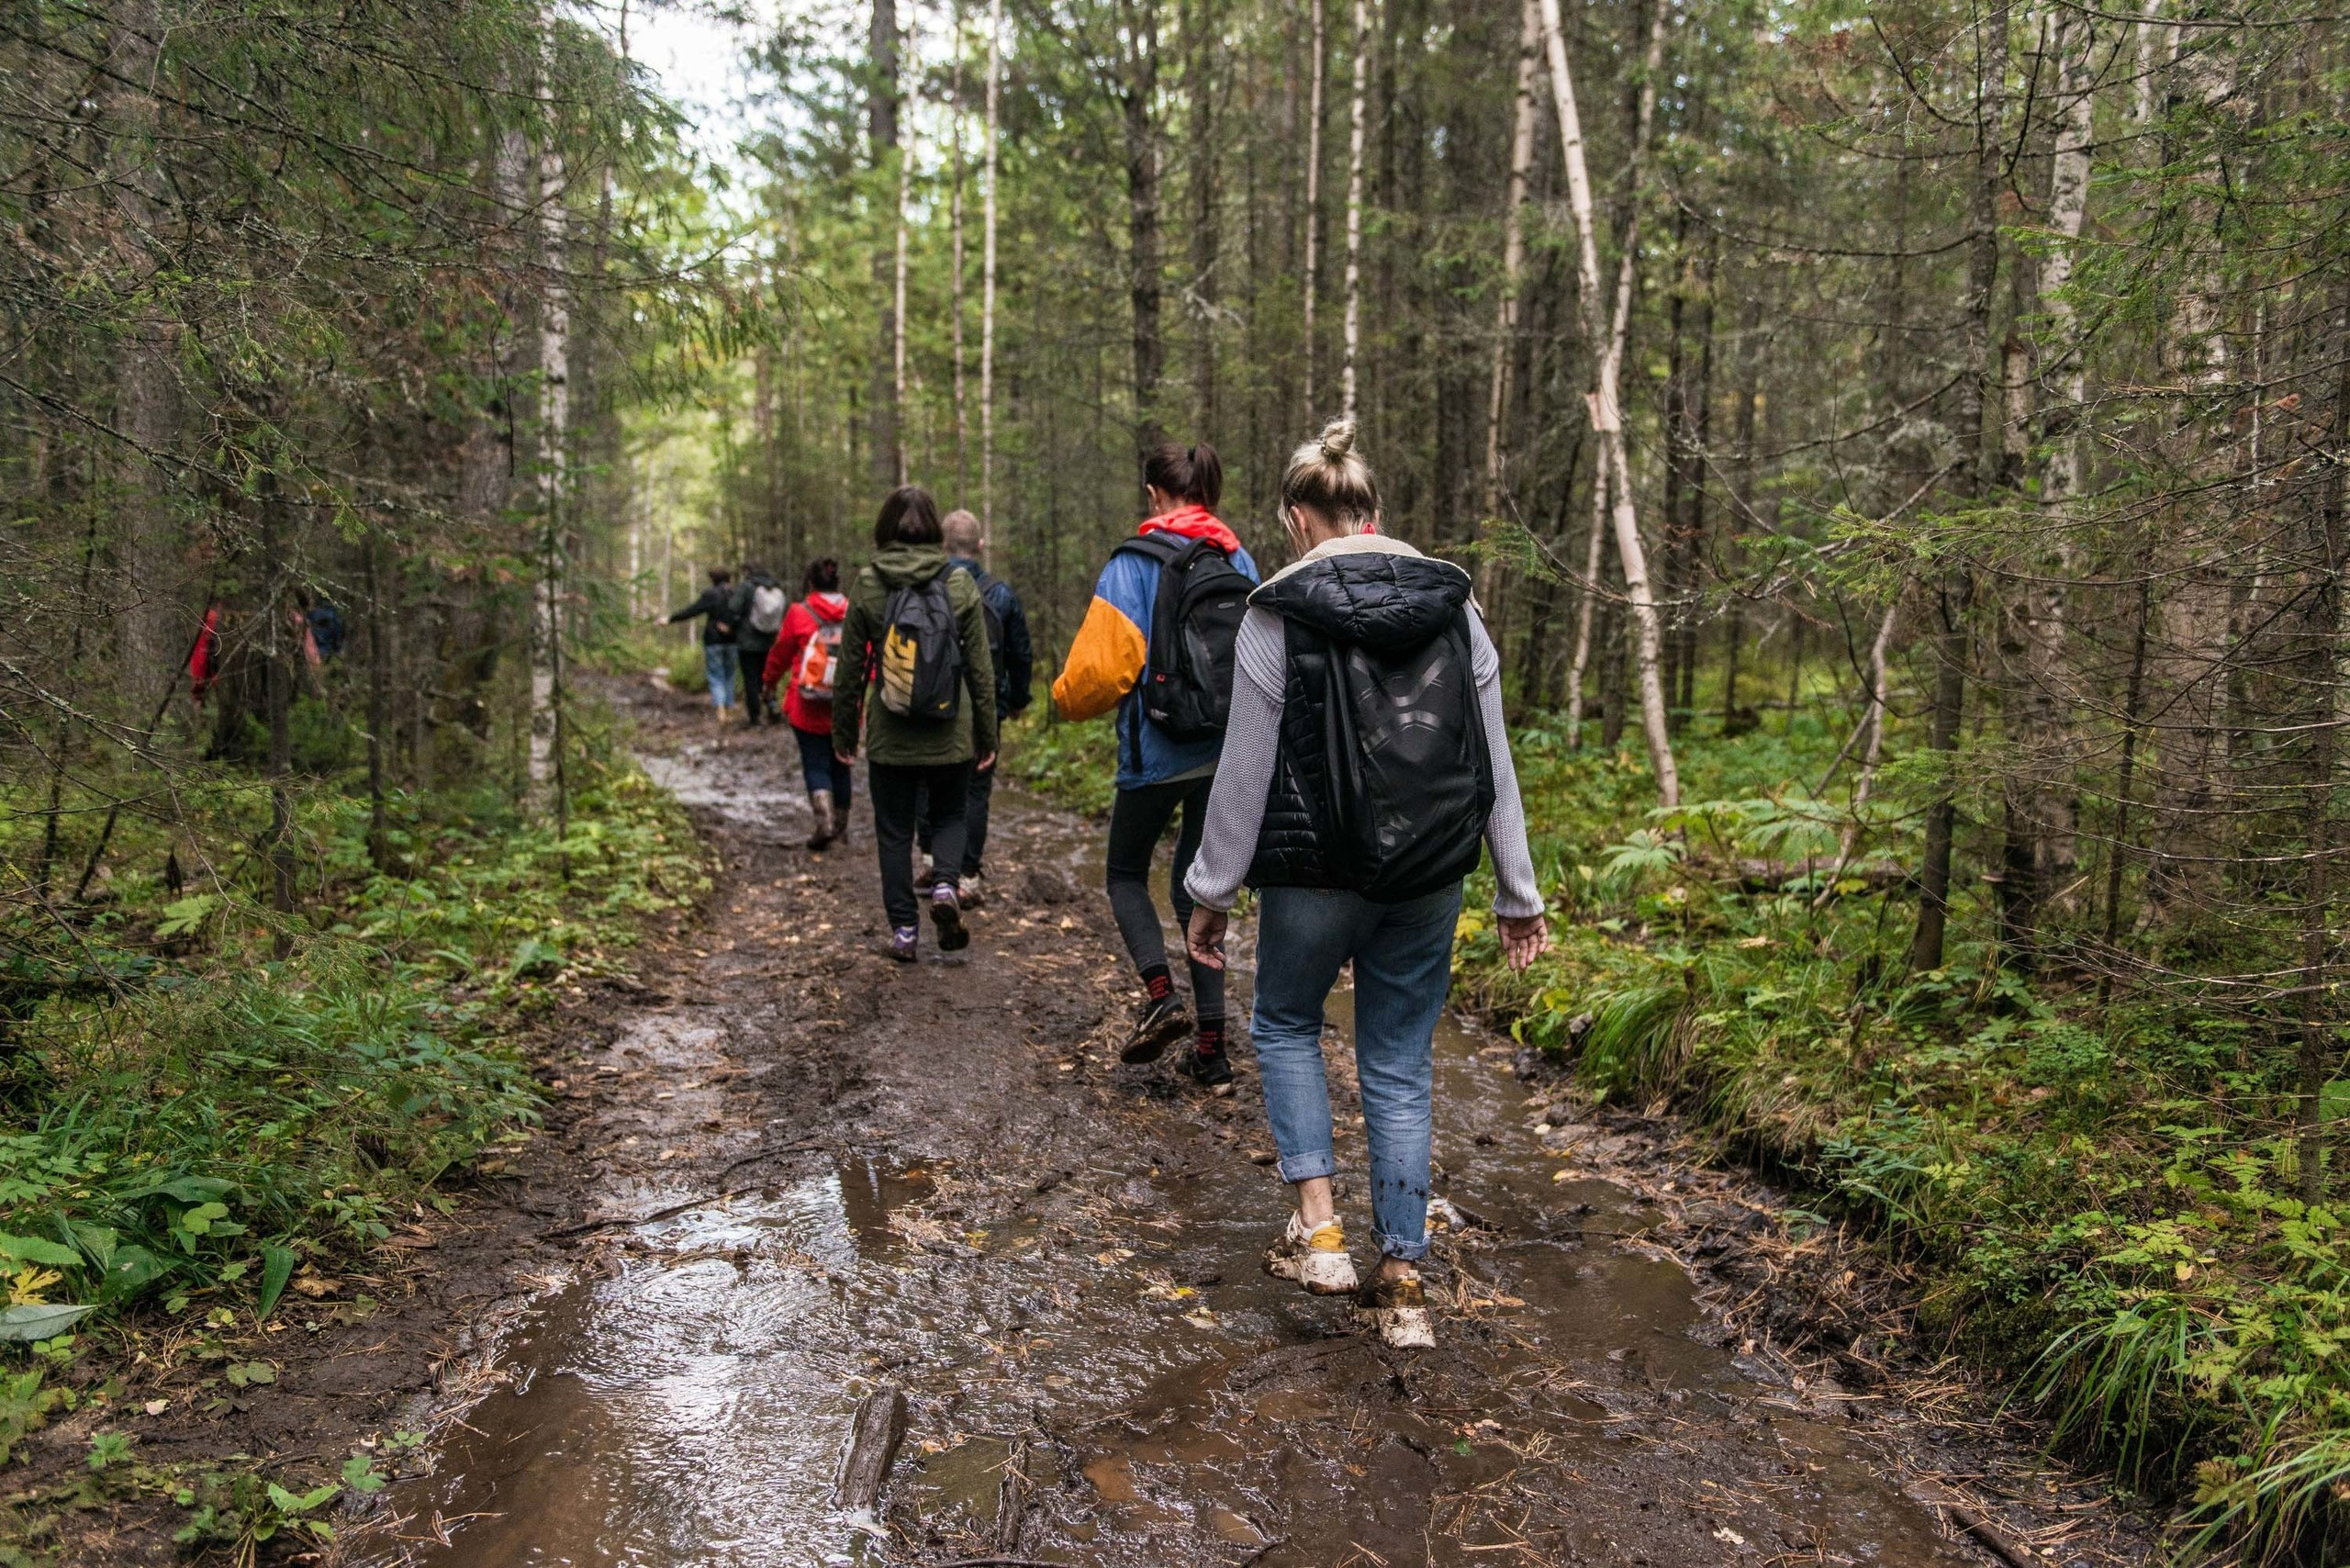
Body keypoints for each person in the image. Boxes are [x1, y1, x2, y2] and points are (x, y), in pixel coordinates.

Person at [1182, 418, 1550, 1351]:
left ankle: (1322, 1233)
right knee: (1397, 1061)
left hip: (1313, 871)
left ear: (1296, 519)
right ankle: (1403, 1282)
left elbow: (1244, 769)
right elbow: (1492, 759)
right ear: (1374, 513)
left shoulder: (1276, 610)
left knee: (1284, 1022)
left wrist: (1211, 891)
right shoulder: (1455, 607)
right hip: (1428, 873)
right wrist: (1518, 891)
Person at [1051, 441, 1257, 1082]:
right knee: (1198, 886)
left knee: (1124, 874)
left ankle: (1162, 996)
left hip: (1158, 750)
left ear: (1153, 494)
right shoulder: (1238, 557)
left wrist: (1061, 700)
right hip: (1224, 748)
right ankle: (1212, 1049)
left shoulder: (1133, 563)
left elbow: (1099, 674)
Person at [832, 487, 999, 963]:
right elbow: (980, 670)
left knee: (894, 832)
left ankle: (905, 931)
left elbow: (849, 670)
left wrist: (844, 733)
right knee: (950, 815)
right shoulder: (959, 583)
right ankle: (945, 885)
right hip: (951, 729)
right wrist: (987, 734)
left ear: (884, 529)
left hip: (891, 731)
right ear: (934, 532)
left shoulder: (868, 583)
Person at [916, 508, 1033, 903]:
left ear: (942, 546)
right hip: (985, 706)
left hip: (930, 703)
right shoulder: (1000, 594)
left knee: (927, 782)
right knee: (975, 791)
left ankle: (931, 861)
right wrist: (1016, 700)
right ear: (980, 546)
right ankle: (965, 877)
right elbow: (1020, 654)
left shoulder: (925, 587)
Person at [763, 558, 853, 851]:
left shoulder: (799, 612)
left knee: (815, 762)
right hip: (846, 704)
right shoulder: (854, 610)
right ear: (837, 582)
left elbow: (780, 653)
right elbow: (868, 654)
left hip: (807, 703)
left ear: (811, 583)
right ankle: (840, 826)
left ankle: (824, 821)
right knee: (842, 763)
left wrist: (768, 683)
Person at [666, 567, 741, 720]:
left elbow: (692, 610)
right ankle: (729, 708)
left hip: (713, 640)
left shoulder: (710, 594)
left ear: (713, 580)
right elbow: (743, 615)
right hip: (732, 640)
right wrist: (732, 628)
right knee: (729, 674)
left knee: (716, 675)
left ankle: (721, 709)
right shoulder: (736, 594)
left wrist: (671, 619)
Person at [733, 561, 788, 728]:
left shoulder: (746, 587)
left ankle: (755, 717)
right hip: (770, 641)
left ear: (748, 572)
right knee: (768, 677)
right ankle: (772, 708)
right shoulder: (776, 589)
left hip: (748, 642)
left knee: (751, 679)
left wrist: (734, 623)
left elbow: (734, 607)